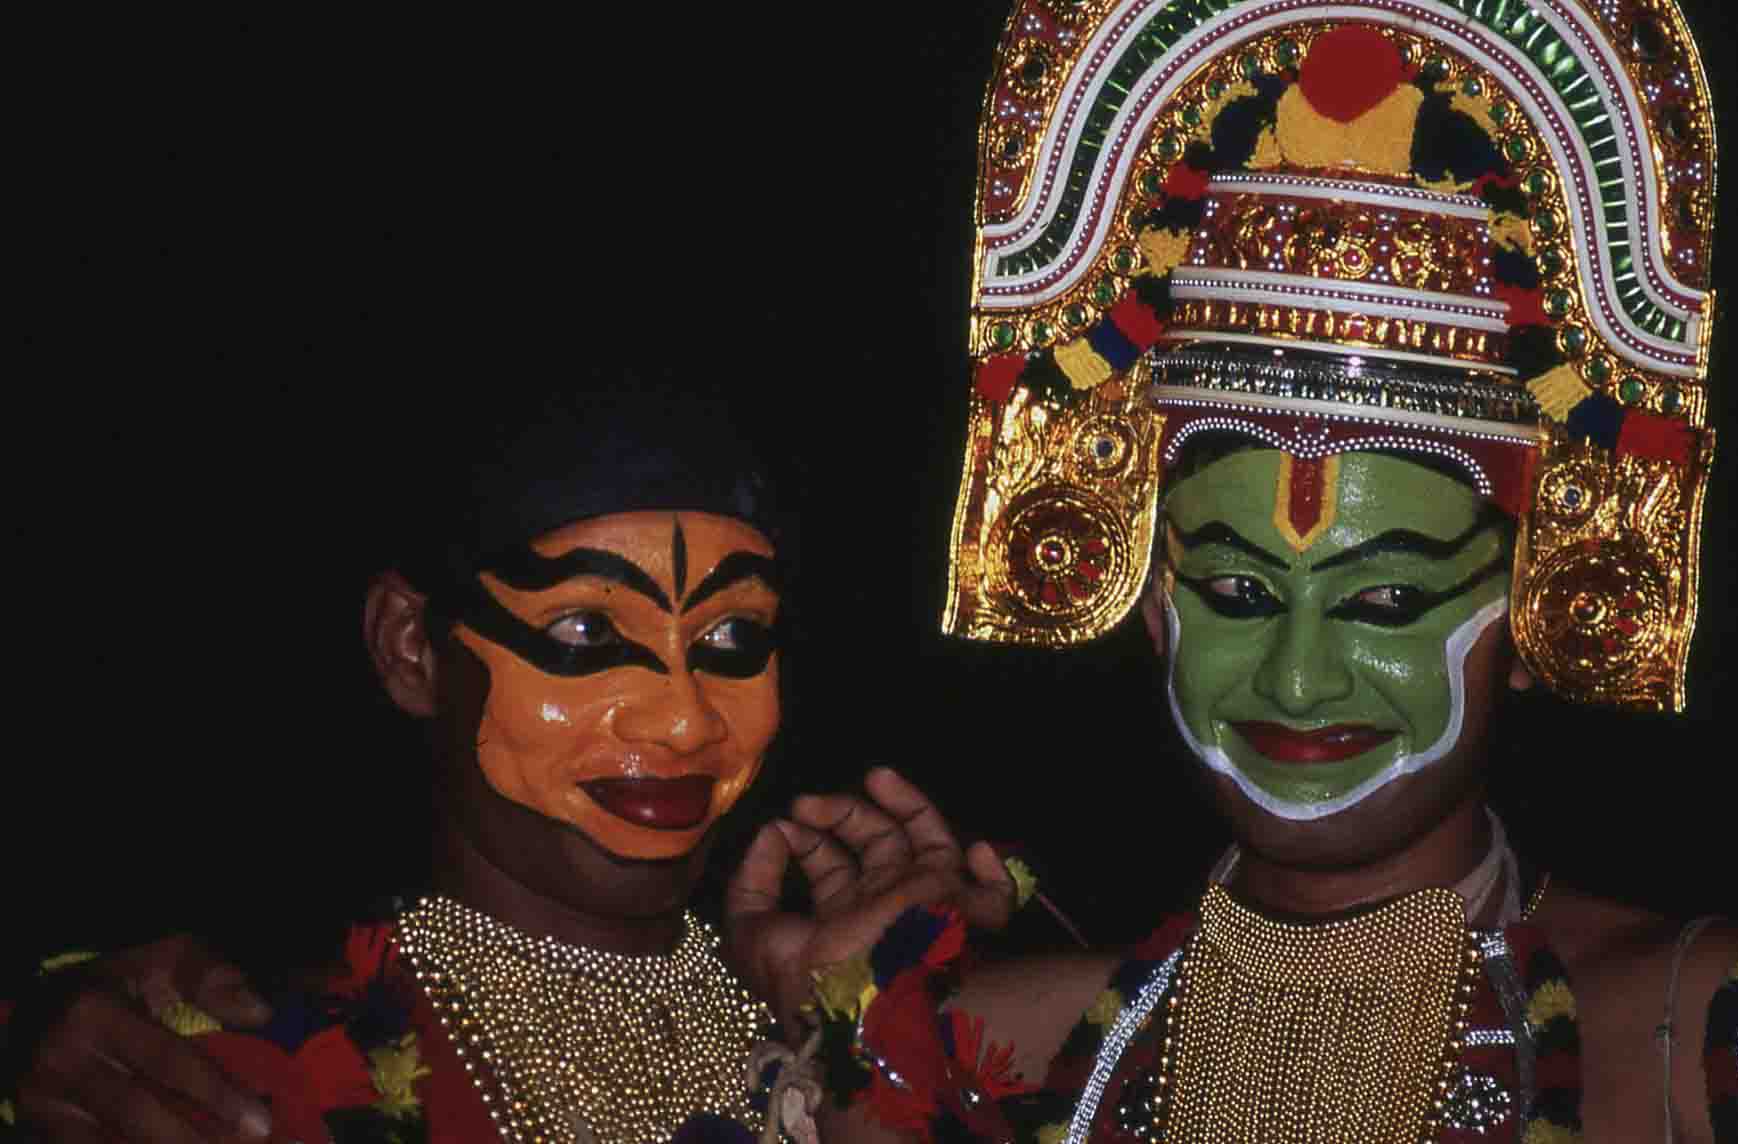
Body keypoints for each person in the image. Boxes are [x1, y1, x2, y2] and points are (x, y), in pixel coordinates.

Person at [730, 3, 1738, 1141]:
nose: (1295, 681)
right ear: (1149, 601)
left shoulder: (1712, 1036)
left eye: (1385, 599)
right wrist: (849, 1032)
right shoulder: (996, 1056)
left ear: (1532, 613)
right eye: (1237, 593)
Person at [0, 383, 1017, 1143]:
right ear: (412, 648)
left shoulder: (869, 1013)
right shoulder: (222, 1075)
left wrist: (869, 1010)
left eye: (732, 641)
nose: (680, 720)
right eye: (582, 632)